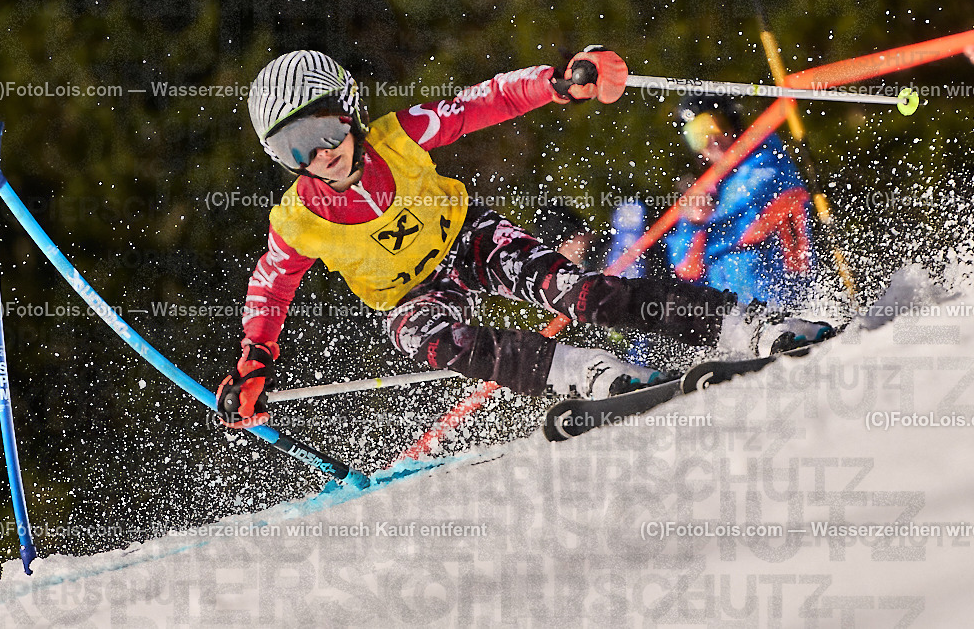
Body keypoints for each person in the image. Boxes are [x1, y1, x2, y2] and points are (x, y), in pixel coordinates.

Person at [215, 49, 832, 429]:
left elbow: (482, 102)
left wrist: (558, 83)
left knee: (574, 291)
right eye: (291, 147)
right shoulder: (295, 219)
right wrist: (253, 362)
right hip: (407, 295)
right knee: (433, 342)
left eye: (322, 130)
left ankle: (739, 326)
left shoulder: (399, 137)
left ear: (347, 111)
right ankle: (583, 373)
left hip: (467, 238)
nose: (317, 154)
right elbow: (271, 288)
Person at [666, 95, 816, 308]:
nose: (711, 140)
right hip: (735, 319)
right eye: (697, 135)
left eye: (715, 125)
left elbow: (751, 220)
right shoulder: (705, 190)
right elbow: (685, 268)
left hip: (785, 299)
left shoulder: (765, 159)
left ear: (732, 122)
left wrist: (710, 223)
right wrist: (694, 225)